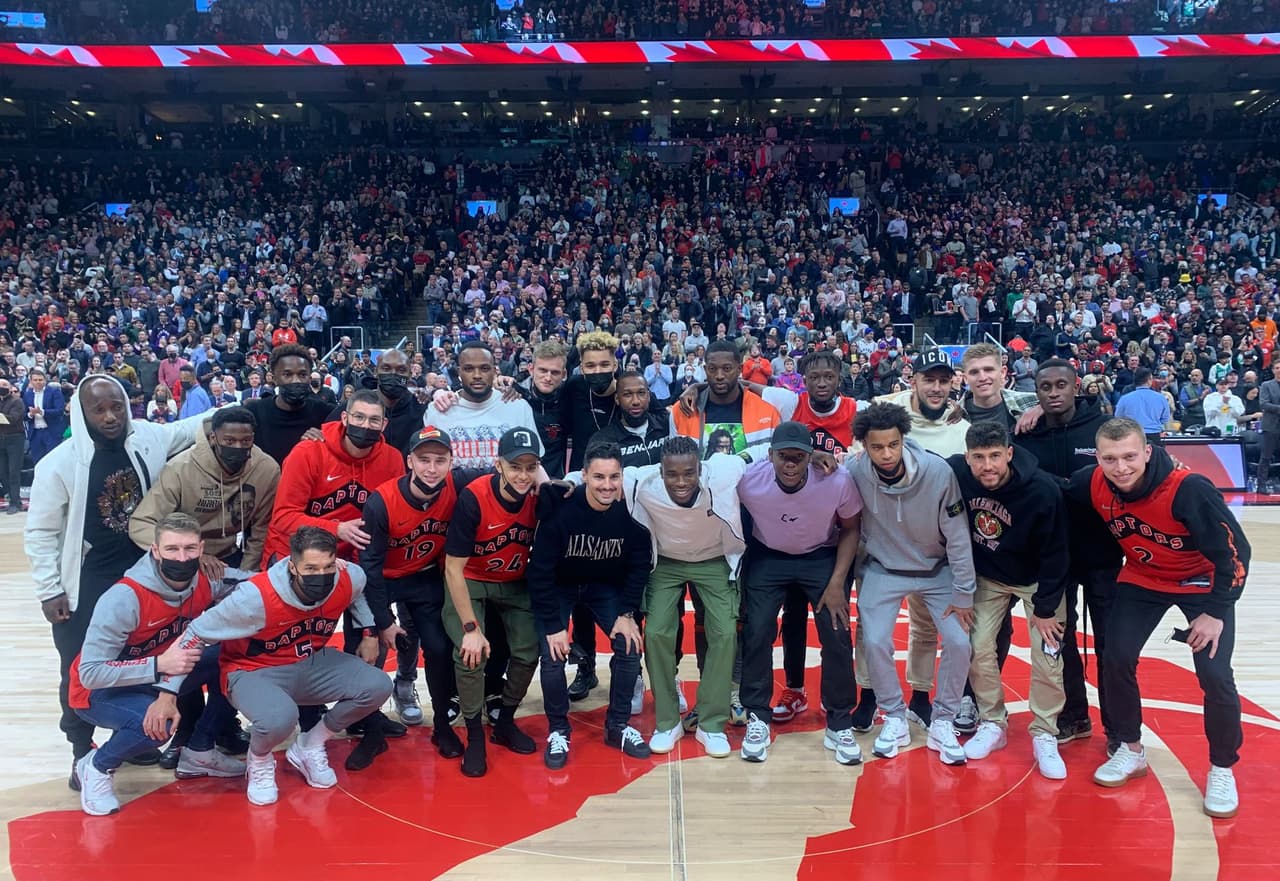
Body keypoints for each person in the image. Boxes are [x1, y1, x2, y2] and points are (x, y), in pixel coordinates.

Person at [26, 376, 206, 788]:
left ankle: (131, 737)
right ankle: (80, 750)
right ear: (81, 413)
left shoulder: (146, 437)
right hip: (87, 579)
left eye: (116, 407)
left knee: (139, 655)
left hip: (143, 575)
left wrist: (262, 406)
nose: (110, 417)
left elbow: (192, 426)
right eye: (99, 410)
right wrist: (50, 589)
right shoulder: (58, 463)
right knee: (78, 667)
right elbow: (40, 532)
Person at [1072, 417, 1248, 819]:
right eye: (1110, 458)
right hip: (1144, 578)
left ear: (1148, 452)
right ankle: (1130, 749)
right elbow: (1048, 490)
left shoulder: (1189, 489)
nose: (1121, 468)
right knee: (1115, 657)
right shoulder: (1092, 482)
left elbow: (1237, 554)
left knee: (1215, 674)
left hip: (1203, 582)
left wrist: (1215, 613)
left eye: (1130, 456)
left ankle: (1222, 768)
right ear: (1097, 458)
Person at [170, 526, 392, 806]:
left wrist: (369, 632)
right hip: (253, 669)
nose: (321, 575)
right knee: (280, 718)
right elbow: (195, 633)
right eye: (311, 568)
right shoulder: (254, 596)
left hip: (309, 660)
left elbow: (356, 592)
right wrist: (168, 692)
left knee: (378, 685)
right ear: (292, 566)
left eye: (328, 566)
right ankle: (260, 759)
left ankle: (310, 744)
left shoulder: (349, 576)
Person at [263, 388, 407, 769]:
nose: (365, 426)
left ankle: (363, 716)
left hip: (357, 562)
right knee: (305, 644)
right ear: (344, 418)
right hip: (301, 562)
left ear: (384, 425)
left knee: (370, 638)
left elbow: (389, 516)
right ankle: (310, 720)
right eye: (358, 417)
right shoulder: (309, 452)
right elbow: (283, 517)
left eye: (373, 420)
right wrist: (335, 528)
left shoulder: (392, 459)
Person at [128, 405, 278, 767]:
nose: (238, 447)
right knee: (187, 650)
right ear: (213, 438)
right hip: (183, 569)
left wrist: (247, 576)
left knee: (235, 650)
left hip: (231, 564)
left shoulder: (266, 468)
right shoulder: (181, 468)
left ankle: (223, 727)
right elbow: (141, 523)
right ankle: (185, 731)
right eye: (229, 440)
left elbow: (261, 530)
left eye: (245, 441)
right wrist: (189, 554)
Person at [69, 514, 248, 815]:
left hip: (160, 674)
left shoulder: (208, 578)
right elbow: (91, 673)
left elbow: (263, 583)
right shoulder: (124, 597)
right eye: (172, 549)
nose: (182, 557)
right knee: (157, 727)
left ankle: (200, 750)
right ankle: (96, 767)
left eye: (189, 548)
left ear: (202, 549)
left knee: (236, 658)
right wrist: (158, 664)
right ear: (155, 550)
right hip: (98, 690)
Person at [848, 402, 975, 766]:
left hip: (937, 568)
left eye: (893, 444)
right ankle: (893, 716)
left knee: (959, 641)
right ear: (864, 446)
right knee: (874, 640)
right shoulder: (854, 471)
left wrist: (964, 592)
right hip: (883, 568)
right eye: (877, 447)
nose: (886, 454)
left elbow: (958, 535)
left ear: (903, 439)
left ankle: (944, 720)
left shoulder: (937, 471)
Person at [947, 421, 1071, 778]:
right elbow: (915, 461)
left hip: (1038, 580)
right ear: (967, 457)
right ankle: (992, 722)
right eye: (979, 457)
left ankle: (1044, 731)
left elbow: (1057, 554)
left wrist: (1045, 608)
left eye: (995, 456)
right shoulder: (956, 472)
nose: (987, 466)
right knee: (975, 645)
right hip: (989, 576)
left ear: (1009, 454)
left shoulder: (1042, 490)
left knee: (1048, 654)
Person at [736, 422, 863, 765]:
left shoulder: (836, 480)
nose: (790, 464)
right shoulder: (749, 480)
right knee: (757, 629)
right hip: (768, 555)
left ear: (810, 456)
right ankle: (757, 716)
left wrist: (837, 582)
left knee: (836, 631)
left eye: (798, 457)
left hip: (820, 555)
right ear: (770, 455)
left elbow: (851, 527)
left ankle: (839, 721)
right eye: (783, 457)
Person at [1014, 358, 1122, 748]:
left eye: (1061, 385)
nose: (1054, 392)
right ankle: (1074, 715)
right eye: (1046, 387)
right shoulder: (1026, 435)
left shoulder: (1102, 430)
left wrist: (1060, 483)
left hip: (1103, 554)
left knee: (1111, 644)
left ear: (1076, 387)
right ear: (1036, 393)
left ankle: (1118, 728)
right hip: (1051, 557)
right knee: (1060, 641)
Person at [619, 436, 749, 757]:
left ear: (700, 468)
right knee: (656, 632)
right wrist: (562, 482)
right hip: (667, 562)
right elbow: (594, 475)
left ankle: (711, 724)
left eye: (689, 473)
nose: (681, 482)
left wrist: (819, 458)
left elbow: (760, 454)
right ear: (660, 471)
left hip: (714, 559)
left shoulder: (723, 471)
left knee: (724, 633)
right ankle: (667, 722)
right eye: (672, 474)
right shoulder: (641, 481)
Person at [526, 441, 653, 769]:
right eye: (598, 477)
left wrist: (627, 612)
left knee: (629, 644)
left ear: (622, 476)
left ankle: (617, 725)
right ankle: (558, 729)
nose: (607, 485)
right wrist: (553, 625)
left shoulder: (631, 509)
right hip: (560, 587)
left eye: (614, 477)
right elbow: (539, 571)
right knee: (552, 654)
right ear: (583, 475)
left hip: (603, 588)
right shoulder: (561, 510)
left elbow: (639, 564)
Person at [362, 427, 486, 756]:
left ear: (451, 463)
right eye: (424, 460)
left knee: (439, 647)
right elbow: (369, 568)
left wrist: (545, 482)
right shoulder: (381, 502)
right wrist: (383, 621)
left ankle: (442, 727)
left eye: (440, 460)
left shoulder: (459, 483)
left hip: (423, 575)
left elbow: (503, 471)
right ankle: (370, 729)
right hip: (382, 579)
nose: (432, 468)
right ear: (410, 462)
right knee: (369, 651)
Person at [442, 427, 544, 778]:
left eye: (530, 467)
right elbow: (453, 568)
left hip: (514, 581)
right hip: (470, 578)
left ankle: (505, 722)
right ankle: (474, 735)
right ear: (499, 465)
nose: (523, 475)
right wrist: (471, 628)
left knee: (528, 651)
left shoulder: (539, 497)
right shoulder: (474, 497)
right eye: (515, 466)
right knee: (470, 653)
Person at [242, 344, 331, 467]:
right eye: (287, 375)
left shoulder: (325, 413)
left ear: (310, 378)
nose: (296, 380)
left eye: (302, 375)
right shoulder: (253, 413)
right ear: (274, 378)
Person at [588, 371, 671, 467]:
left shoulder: (667, 425)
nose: (636, 401)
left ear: (649, 396)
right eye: (627, 394)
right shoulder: (603, 441)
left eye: (641, 393)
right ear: (617, 399)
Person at [1114, 368, 1170, 444]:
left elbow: (1118, 417)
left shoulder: (1124, 399)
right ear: (1149, 380)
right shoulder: (1161, 398)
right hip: (1154, 435)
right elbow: (1165, 418)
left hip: (1132, 435)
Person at [23, 367, 65, 463]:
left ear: (45, 380)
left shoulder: (54, 392)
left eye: (40, 380)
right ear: (31, 381)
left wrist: (42, 412)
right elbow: (24, 414)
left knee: (54, 461)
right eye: (35, 380)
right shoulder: (27, 394)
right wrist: (30, 414)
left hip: (51, 432)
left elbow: (59, 411)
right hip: (35, 433)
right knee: (38, 461)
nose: (38, 382)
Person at [0, 377, 25, 513]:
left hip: (14, 439)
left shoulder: (17, 401)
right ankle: (11, 498)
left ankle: (15, 502)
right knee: (2, 472)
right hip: (1, 439)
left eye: (4, 385)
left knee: (13, 471)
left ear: (10, 388)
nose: (2, 387)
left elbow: (14, 419)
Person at [1258, 360, 1280, 493]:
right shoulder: (1266, 385)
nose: (1279, 370)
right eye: (1277, 368)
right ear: (1273, 370)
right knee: (1266, 457)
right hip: (1271, 425)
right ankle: (1261, 485)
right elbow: (1264, 404)